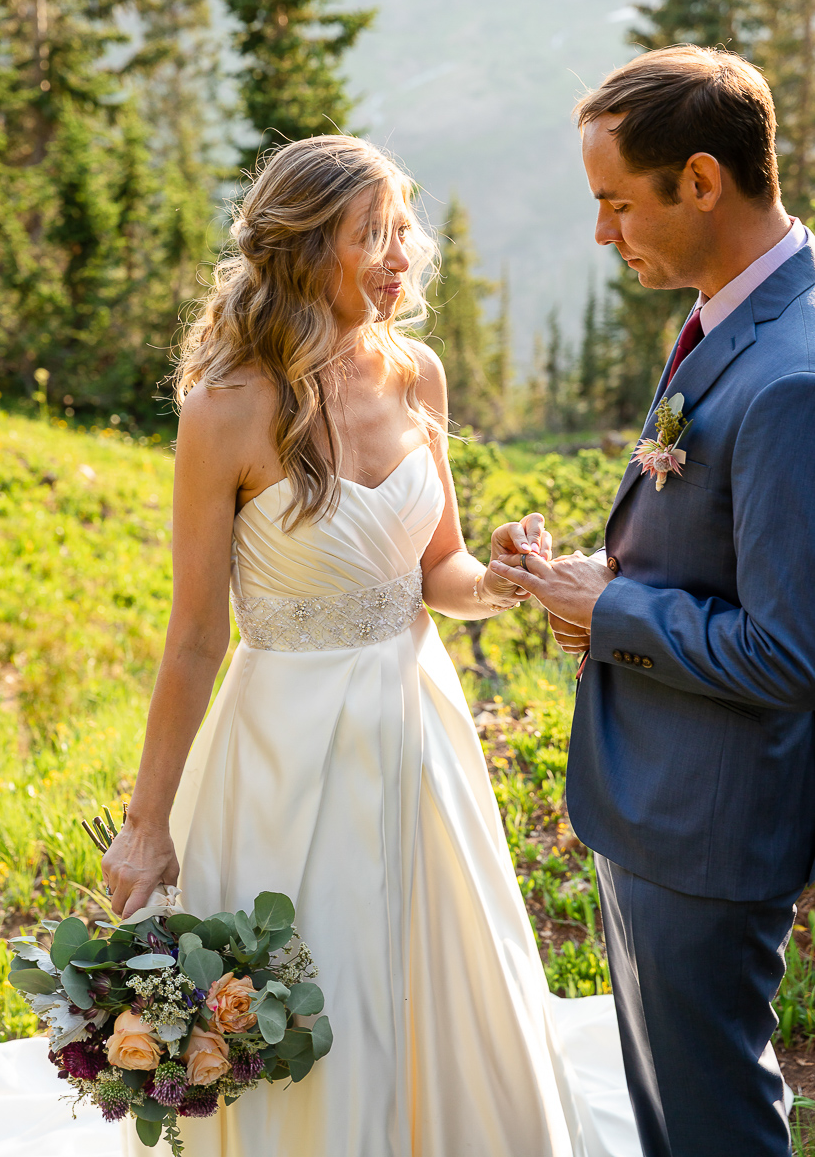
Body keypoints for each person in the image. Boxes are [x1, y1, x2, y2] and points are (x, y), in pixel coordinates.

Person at [98, 136, 637, 1157]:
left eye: (403, 228)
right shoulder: (226, 409)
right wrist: (147, 822)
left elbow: (440, 572)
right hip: (281, 759)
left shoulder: (416, 375)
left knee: (433, 980)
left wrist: (508, 576)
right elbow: (193, 636)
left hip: (419, 733)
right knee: (310, 989)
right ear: (306, 248)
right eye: (372, 233)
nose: (403, 253)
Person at [491, 46, 815, 1157]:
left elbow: (788, 649)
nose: (601, 234)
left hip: (708, 827)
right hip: (659, 806)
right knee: (671, 1120)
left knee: (713, 1123)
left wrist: (611, 610)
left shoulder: (791, 375)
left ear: (699, 180)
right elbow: (727, 551)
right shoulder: (737, 316)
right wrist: (596, 572)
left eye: (614, 203)